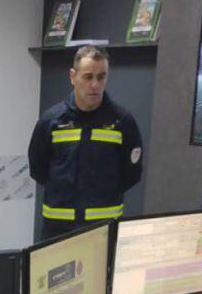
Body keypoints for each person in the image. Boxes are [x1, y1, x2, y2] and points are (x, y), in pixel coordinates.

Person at [28, 45, 143, 241]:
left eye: (101, 77)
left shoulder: (122, 122)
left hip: (104, 229)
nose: (95, 84)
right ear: (73, 76)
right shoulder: (51, 121)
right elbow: (38, 169)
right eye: (88, 77)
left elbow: (131, 174)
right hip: (58, 230)